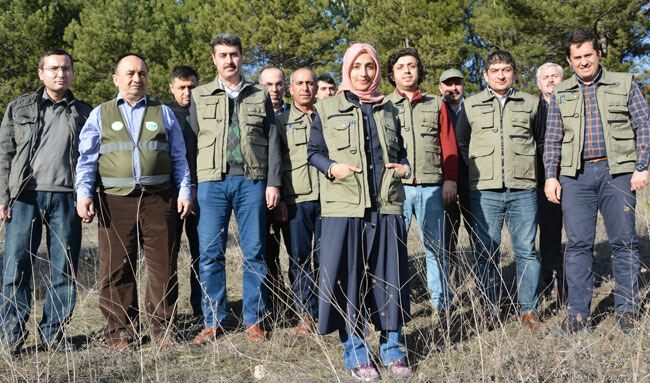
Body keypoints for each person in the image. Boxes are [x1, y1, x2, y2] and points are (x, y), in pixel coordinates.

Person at [308, 43, 413, 381]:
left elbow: (404, 152)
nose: (364, 73)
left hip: (386, 204)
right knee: (348, 280)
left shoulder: (389, 108)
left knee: (389, 280)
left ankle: (393, 351)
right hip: (344, 206)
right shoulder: (326, 108)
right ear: (347, 69)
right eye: (357, 67)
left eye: (369, 66)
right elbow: (314, 151)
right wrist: (332, 167)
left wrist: (405, 168)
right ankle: (355, 353)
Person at [75, 54, 192, 351]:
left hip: (159, 199)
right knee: (116, 269)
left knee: (163, 267)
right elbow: (86, 160)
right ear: (116, 78)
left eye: (141, 73)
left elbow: (179, 157)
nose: (136, 78)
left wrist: (184, 192)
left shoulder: (163, 112)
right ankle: (119, 333)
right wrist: (84, 193)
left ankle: (162, 330)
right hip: (115, 201)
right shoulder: (100, 114)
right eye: (129, 73)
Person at [544, 29, 649, 333]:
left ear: (599, 54)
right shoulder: (561, 92)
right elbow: (552, 139)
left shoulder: (624, 83)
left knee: (624, 242)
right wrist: (551, 175)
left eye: (588, 55)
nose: (583, 62)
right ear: (569, 59)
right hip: (575, 177)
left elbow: (644, 124)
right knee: (577, 245)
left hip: (617, 173)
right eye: (577, 57)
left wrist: (641, 166)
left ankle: (626, 310)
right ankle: (578, 314)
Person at [189, 33, 282, 345]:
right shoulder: (200, 96)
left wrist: (273, 182)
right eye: (222, 55)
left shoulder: (259, 95)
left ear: (242, 57)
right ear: (214, 59)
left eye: (234, 54)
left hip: (251, 182)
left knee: (254, 252)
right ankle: (213, 320)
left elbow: (272, 141)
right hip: (211, 184)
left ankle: (254, 320)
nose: (229, 60)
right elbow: (190, 144)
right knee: (210, 253)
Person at [0, 49, 92, 353]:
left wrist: (88, 195)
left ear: (72, 73)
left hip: (67, 199)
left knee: (64, 269)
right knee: (16, 267)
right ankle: (11, 335)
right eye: (53, 69)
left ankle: (54, 334)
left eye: (66, 68)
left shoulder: (84, 112)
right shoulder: (18, 108)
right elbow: (5, 155)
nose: (60, 74)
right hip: (25, 197)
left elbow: (92, 158)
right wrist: (3, 197)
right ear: (41, 73)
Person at [457, 50, 543, 331]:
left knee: (527, 251)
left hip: (523, 188)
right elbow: (461, 146)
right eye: (495, 71)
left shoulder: (531, 103)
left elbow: (541, 143)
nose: (501, 75)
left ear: (515, 73)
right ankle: (489, 309)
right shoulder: (470, 106)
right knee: (486, 252)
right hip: (485, 192)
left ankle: (528, 310)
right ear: (485, 76)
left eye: (507, 69)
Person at [385, 48, 458, 313]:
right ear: (392, 75)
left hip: (431, 186)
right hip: (396, 189)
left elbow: (449, 145)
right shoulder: (383, 105)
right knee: (393, 249)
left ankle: (442, 304)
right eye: (401, 66)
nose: (407, 70)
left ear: (419, 71)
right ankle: (397, 305)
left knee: (435, 248)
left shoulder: (435, 103)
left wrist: (450, 180)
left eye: (412, 66)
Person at [275, 68, 321, 335]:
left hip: (329, 200)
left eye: (310, 83)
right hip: (295, 200)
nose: (305, 88)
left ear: (316, 88)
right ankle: (306, 313)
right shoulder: (280, 122)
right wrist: (279, 196)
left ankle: (331, 310)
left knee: (327, 257)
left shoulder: (326, 118)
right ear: (290, 89)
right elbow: (276, 164)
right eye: (299, 84)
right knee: (299, 259)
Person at [167, 65, 202, 318]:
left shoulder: (207, 114)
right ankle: (170, 311)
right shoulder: (164, 115)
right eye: (182, 87)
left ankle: (202, 306)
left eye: (192, 87)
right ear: (172, 87)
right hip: (172, 194)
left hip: (204, 193)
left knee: (203, 252)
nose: (187, 92)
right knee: (168, 253)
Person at [258, 66, 292, 315]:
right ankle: (276, 300)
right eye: (269, 84)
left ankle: (304, 302)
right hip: (263, 195)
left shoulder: (295, 115)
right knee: (267, 250)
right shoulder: (255, 115)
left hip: (293, 195)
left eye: (279, 84)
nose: (274, 89)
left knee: (297, 252)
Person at [534, 62, 565, 303]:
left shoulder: (573, 101)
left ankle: (568, 278)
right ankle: (547, 278)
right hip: (538, 177)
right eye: (546, 77)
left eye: (555, 76)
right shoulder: (532, 107)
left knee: (572, 231)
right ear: (539, 83)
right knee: (547, 230)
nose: (551, 80)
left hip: (569, 174)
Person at [439, 69, 474, 284]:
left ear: (463, 85)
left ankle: (484, 279)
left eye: (457, 83)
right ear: (440, 87)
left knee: (476, 232)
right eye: (448, 84)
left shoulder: (474, 108)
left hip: (473, 180)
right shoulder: (435, 108)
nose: (453, 88)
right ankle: (450, 280)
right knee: (448, 233)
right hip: (445, 180)